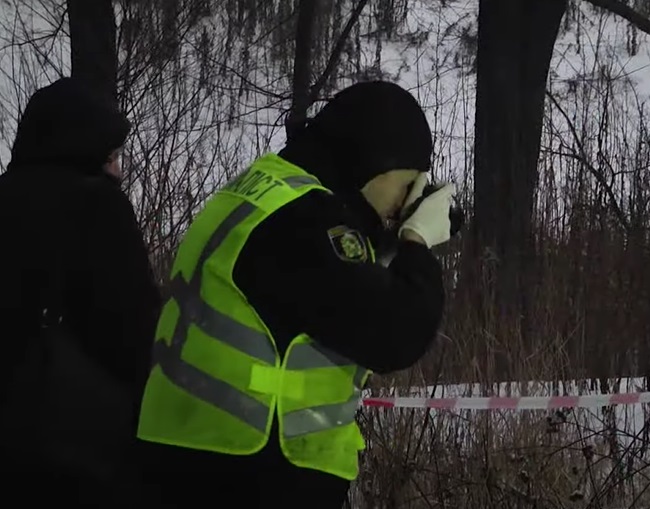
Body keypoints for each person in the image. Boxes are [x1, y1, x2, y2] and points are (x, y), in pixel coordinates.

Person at [138, 80, 453, 507]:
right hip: (248, 470)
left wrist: (390, 243)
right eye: (406, 185)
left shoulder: (265, 196)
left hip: (195, 455)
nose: (401, 204)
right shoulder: (306, 219)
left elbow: (324, 293)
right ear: (377, 164)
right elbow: (394, 333)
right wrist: (416, 242)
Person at [0, 77, 161, 503]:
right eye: (112, 155)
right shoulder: (98, 207)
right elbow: (134, 334)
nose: (118, 168)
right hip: (74, 451)